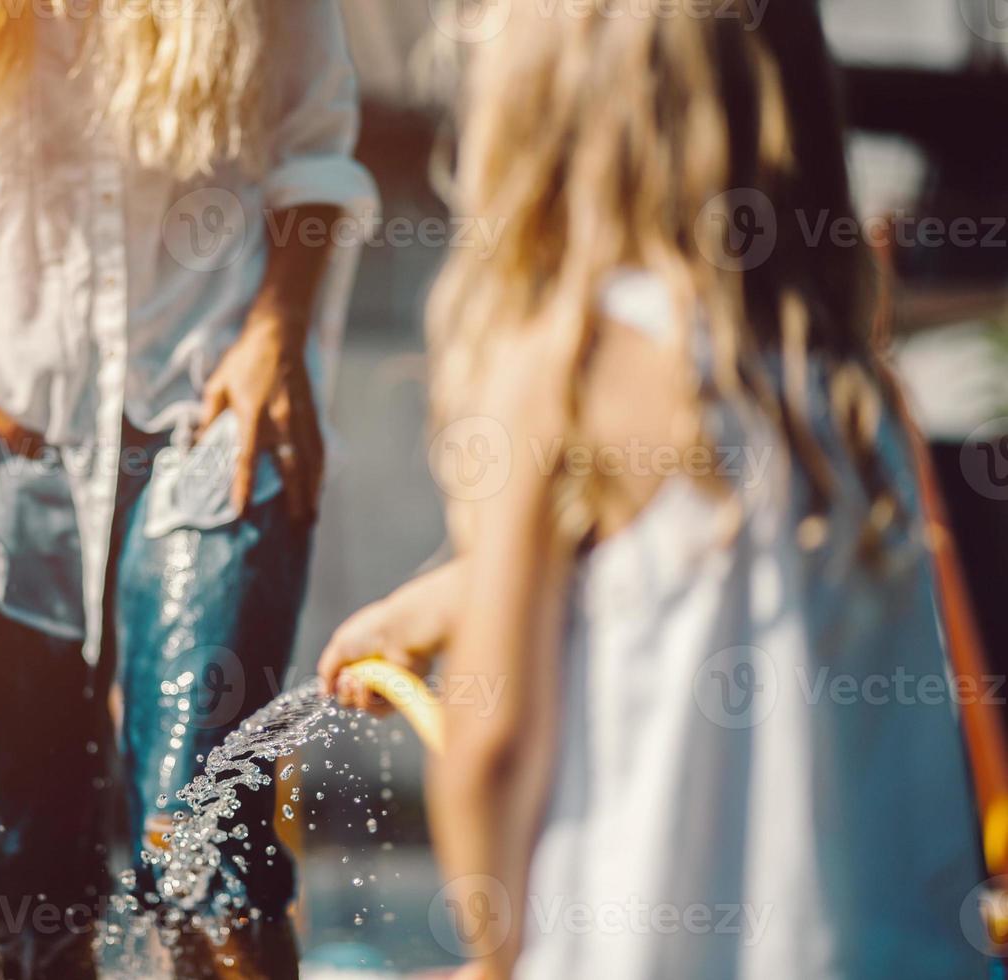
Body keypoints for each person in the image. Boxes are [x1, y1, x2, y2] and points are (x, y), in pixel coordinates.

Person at [320, 2, 990, 977]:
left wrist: (495, 955)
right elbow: (715, 562)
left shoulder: (570, 364)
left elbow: (492, 750)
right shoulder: (849, 396)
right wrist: (460, 591)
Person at [0, 1, 375, 977]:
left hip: (209, 407)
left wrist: (279, 326)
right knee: (27, 887)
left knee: (211, 858)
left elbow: (312, 148)